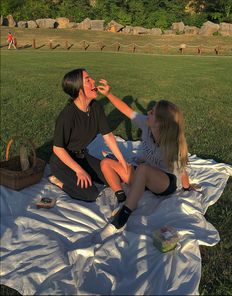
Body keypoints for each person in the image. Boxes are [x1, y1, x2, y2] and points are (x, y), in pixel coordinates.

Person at [95, 79, 191, 241]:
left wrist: (188, 189)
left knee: (143, 169)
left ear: (160, 123)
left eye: (152, 113)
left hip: (164, 183)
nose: (148, 113)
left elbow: (182, 172)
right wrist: (109, 94)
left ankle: (121, 219)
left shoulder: (172, 145)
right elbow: (127, 111)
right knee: (106, 163)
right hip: (143, 178)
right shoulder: (146, 125)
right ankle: (122, 199)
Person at [49, 69, 129, 202]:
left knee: (113, 177)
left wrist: (121, 160)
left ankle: (81, 174)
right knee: (90, 194)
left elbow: (108, 135)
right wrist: (79, 170)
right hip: (63, 161)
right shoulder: (67, 115)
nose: (93, 81)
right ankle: (59, 182)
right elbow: (57, 148)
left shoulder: (96, 107)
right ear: (79, 89)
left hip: (82, 156)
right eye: (88, 80)